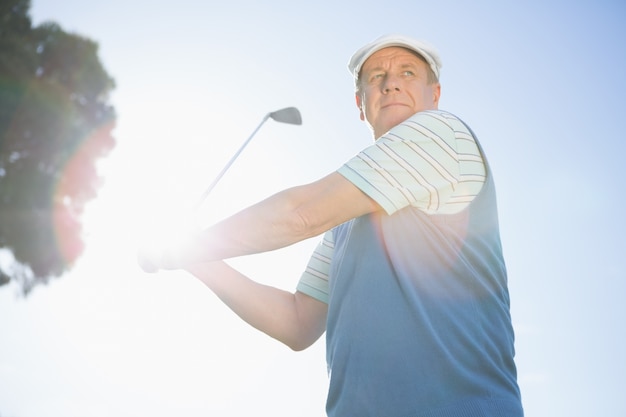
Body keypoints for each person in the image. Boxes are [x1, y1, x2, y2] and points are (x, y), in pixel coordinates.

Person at [139, 34, 524, 416]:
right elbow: (297, 321)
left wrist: (191, 245)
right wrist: (197, 260)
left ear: (434, 95)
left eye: (407, 72)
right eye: (375, 77)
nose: (390, 82)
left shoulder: (443, 135)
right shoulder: (346, 220)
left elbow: (300, 214)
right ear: (360, 105)